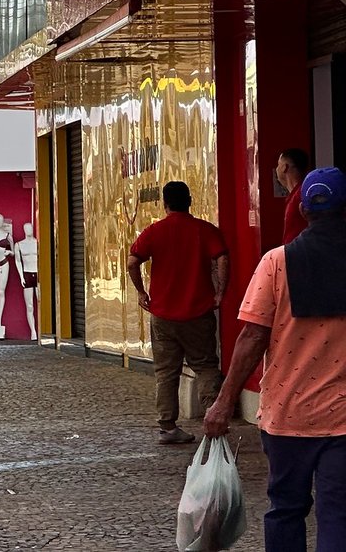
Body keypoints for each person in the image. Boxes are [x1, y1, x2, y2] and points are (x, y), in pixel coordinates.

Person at [205, 167, 346, 552]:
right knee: (338, 514)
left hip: (288, 415)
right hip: (343, 421)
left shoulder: (277, 263)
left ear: (302, 208)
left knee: (285, 508)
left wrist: (224, 401)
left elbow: (252, 336)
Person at [126, 180, 228, 445]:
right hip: (198, 312)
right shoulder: (205, 230)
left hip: (162, 315)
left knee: (166, 372)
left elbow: (132, 261)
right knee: (205, 366)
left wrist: (141, 292)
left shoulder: (154, 231)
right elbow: (222, 258)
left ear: (165, 203)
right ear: (190, 201)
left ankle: (168, 427)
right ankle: (212, 420)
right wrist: (219, 292)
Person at [277, 148, 310, 245]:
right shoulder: (300, 193)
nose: (277, 169)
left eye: (278, 165)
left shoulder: (300, 195)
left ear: (284, 167)